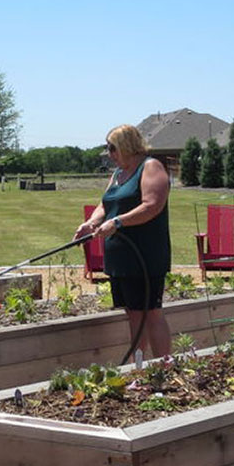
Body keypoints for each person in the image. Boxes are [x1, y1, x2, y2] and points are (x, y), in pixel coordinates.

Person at [75, 124, 173, 358]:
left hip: (144, 254)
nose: (109, 154)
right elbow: (106, 205)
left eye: (112, 148)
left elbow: (152, 206)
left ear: (128, 146)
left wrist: (117, 222)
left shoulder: (150, 167)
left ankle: (164, 367)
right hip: (121, 259)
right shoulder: (118, 174)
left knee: (152, 313)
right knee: (134, 313)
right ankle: (139, 369)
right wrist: (91, 223)